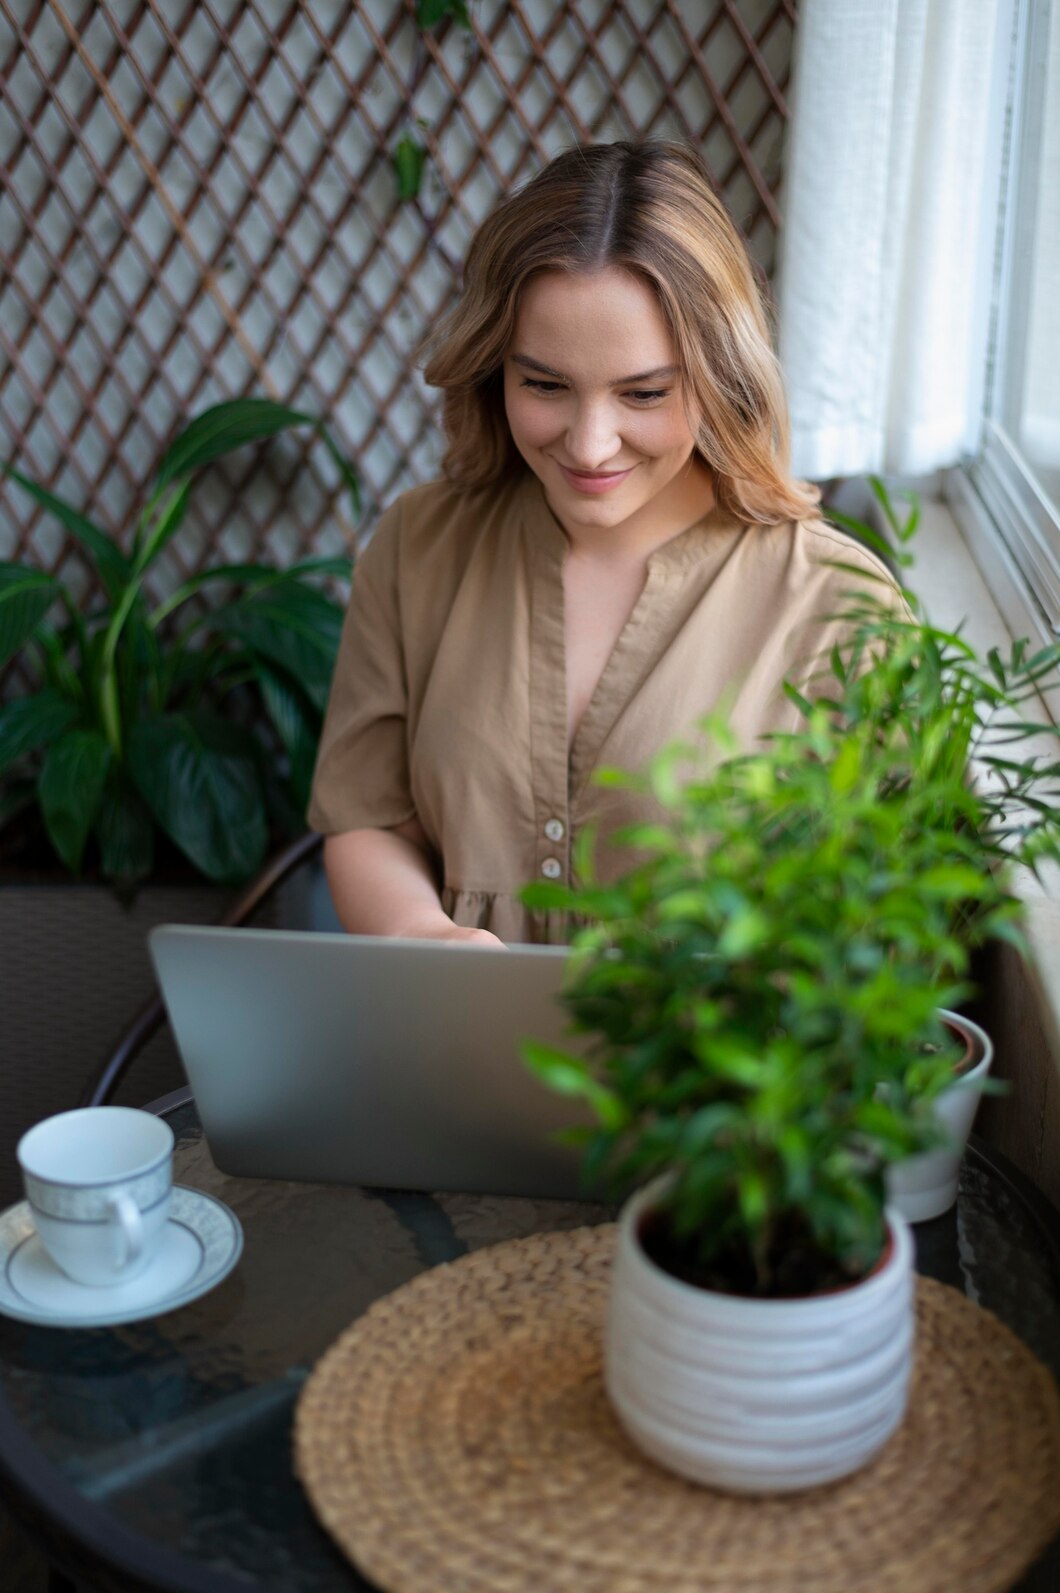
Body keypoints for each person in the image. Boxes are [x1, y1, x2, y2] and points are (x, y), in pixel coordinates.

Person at [308, 140, 892, 946]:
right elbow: (368, 818)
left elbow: (878, 919)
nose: (589, 445)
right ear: (494, 369)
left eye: (644, 393)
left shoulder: (835, 606)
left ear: (721, 377)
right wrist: (423, 935)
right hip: (446, 1058)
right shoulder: (420, 546)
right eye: (544, 385)